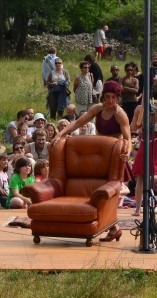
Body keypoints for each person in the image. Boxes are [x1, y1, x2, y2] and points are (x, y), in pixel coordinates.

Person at [54, 81, 131, 241]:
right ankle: (113, 228)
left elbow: (128, 138)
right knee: (97, 189)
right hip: (98, 152)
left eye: (113, 98)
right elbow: (78, 122)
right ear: (103, 96)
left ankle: (112, 225)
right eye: (107, 97)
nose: (110, 101)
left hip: (114, 154)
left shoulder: (120, 114)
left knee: (108, 191)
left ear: (117, 98)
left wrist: (127, 154)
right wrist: (61, 134)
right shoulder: (98, 108)